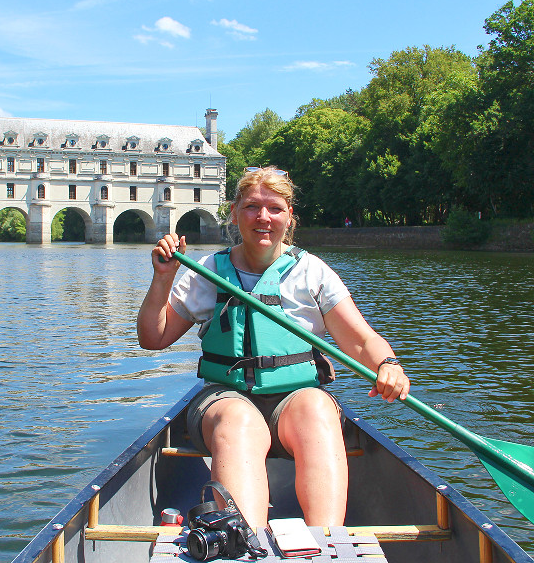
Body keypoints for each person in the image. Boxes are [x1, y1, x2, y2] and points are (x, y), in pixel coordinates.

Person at [137, 167, 410, 528]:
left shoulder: (312, 272)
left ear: (289, 217)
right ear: (234, 213)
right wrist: (162, 279)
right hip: (225, 400)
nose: (263, 217)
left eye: (275, 208)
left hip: (293, 403)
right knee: (239, 421)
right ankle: (247, 542)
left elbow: (361, 340)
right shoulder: (207, 270)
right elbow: (153, 338)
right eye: (252, 207)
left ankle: (326, 542)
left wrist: (388, 363)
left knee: (317, 408)